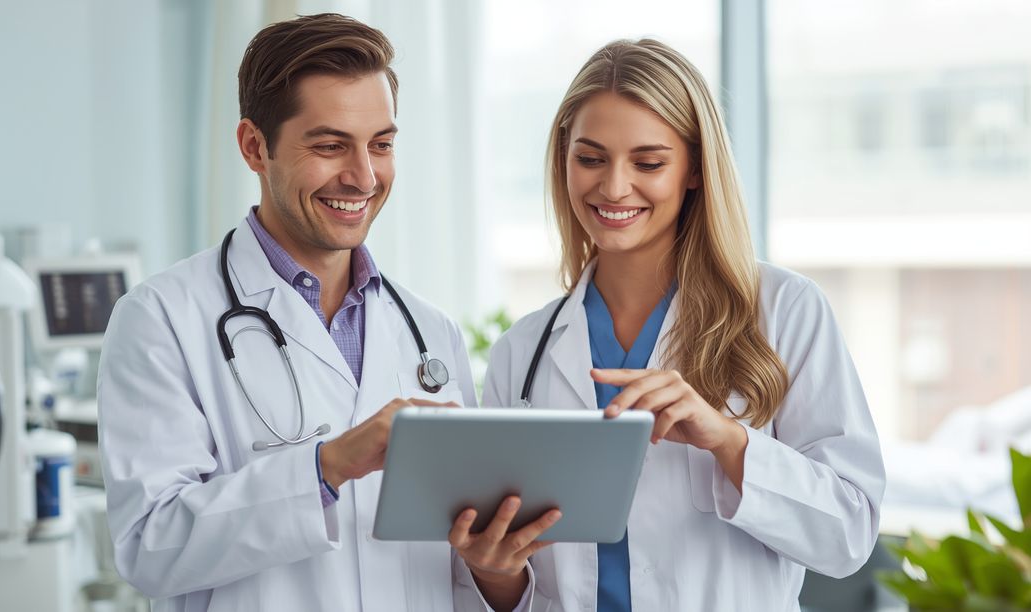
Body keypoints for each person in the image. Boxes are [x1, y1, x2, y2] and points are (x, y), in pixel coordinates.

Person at [97, 13, 535, 611]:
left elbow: (456, 578)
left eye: (380, 144)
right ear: (255, 147)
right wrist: (326, 468)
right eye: (330, 146)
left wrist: (495, 573)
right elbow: (152, 545)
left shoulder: (429, 332)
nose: (363, 176)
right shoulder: (160, 319)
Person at [474, 39, 886, 611]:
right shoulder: (524, 352)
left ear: (694, 170)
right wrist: (494, 574)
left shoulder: (783, 310)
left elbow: (849, 534)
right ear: (563, 160)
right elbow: (520, 586)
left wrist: (726, 439)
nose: (614, 187)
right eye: (590, 158)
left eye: (648, 163)